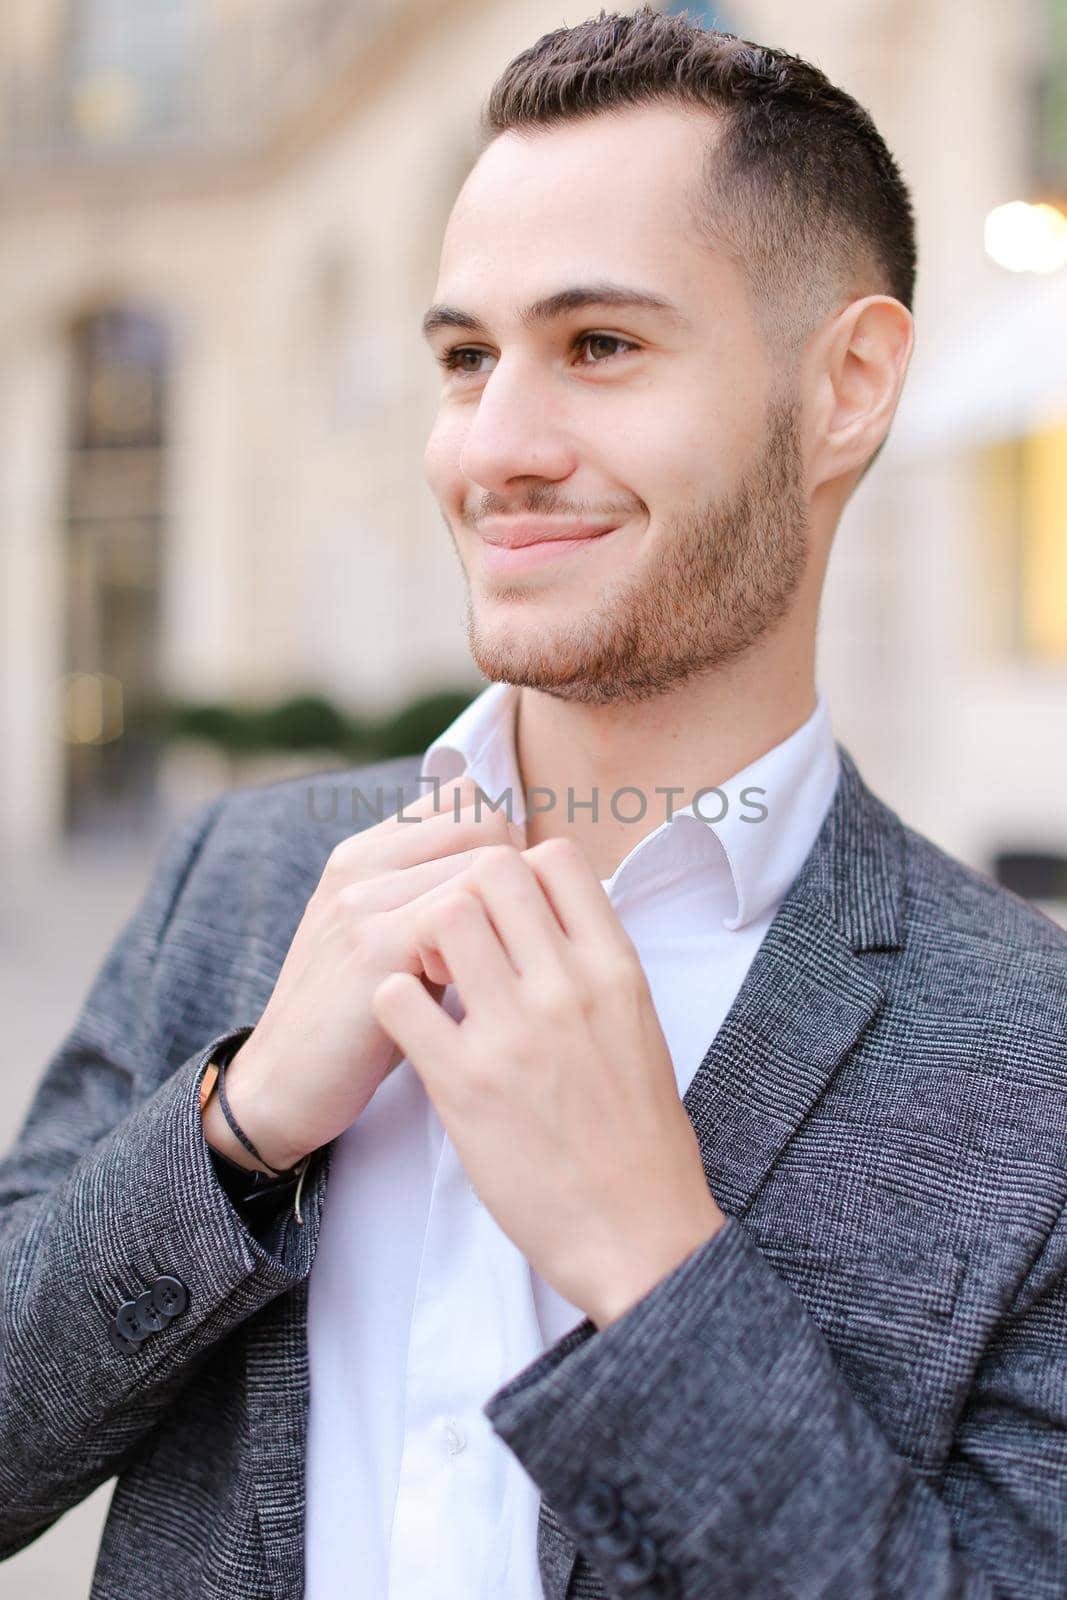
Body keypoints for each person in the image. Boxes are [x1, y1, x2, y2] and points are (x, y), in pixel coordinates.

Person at [2, 8, 1066, 1598]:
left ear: (847, 383)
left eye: (601, 347)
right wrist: (235, 1129)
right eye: (463, 358)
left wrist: (654, 1263)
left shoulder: (1036, 1054)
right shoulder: (243, 873)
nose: (491, 448)